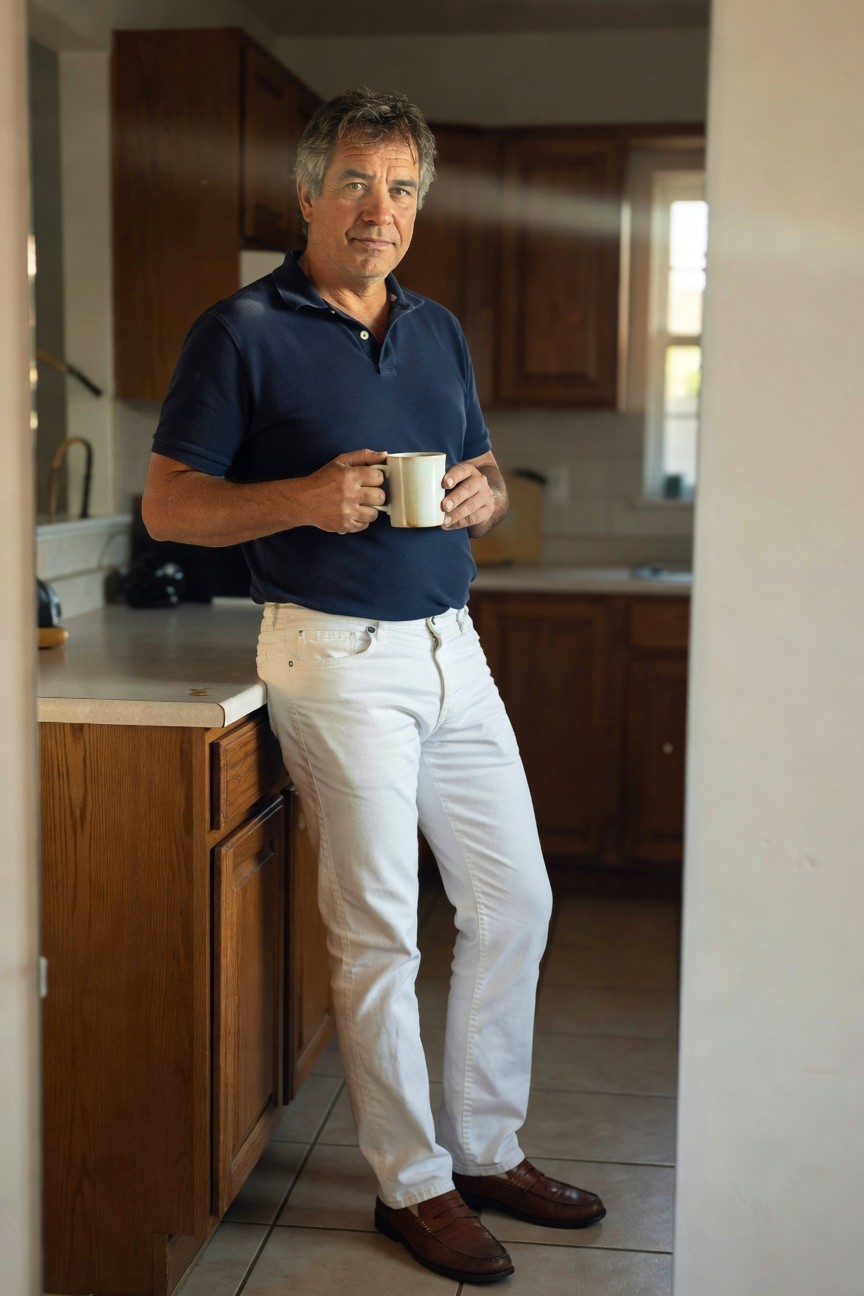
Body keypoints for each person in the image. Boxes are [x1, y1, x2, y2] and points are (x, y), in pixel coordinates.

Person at [142, 86, 605, 1285]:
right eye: (356, 183)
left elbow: (482, 460)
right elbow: (170, 504)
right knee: (380, 932)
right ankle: (414, 1184)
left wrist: (488, 494)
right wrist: (302, 497)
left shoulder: (436, 327)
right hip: (333, 654)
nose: (379, 211)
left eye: (401, 189)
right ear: (309, 194)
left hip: (455, 647)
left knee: (517, 905)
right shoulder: (239, 329)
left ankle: (490, 1146)